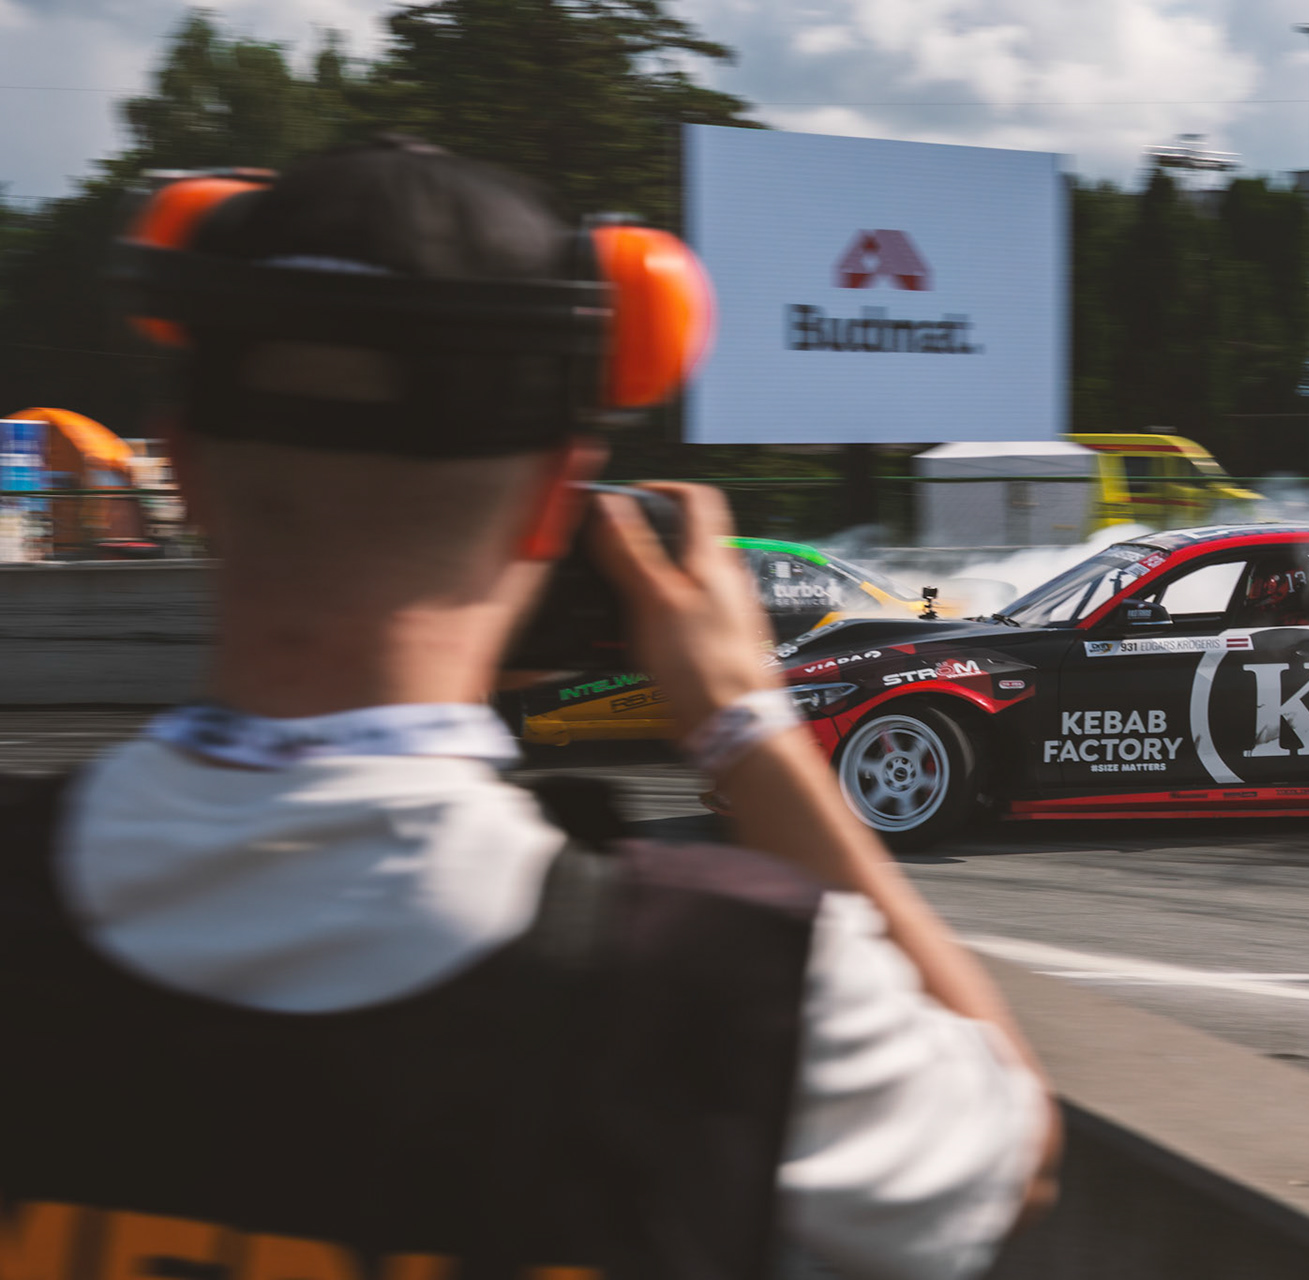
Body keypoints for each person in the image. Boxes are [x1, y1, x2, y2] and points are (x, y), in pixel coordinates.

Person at [0, 138, 1056, 1280]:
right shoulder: (744, 983)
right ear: (560, 501)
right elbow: (1015, 1163)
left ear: (187, 468)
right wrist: (743, 722)